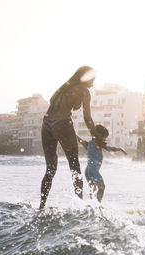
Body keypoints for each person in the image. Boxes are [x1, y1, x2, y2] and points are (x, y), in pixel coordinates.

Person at [39, 66, 97, 209]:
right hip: (62, 124)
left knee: (50, 169)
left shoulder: (62, 89)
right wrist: (96, 137)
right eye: (93, 80)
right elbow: (88, 119)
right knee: (75, 167)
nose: (93, 83)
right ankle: (80, 206)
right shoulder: (84, 91)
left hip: (46, 126)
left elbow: (56, 110)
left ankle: (41, 206)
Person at [77, 124, 127, 203]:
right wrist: (119, 149)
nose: (105, 139)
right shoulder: (99, 143)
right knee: (102, 187)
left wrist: (72, 133)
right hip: (93, 170)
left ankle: (92, 206)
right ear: (99, 135)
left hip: (87, 171)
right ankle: (98, 205)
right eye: (104, 137)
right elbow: (110, 148)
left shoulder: (88, 144)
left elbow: (80, 140)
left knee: (93, 191)